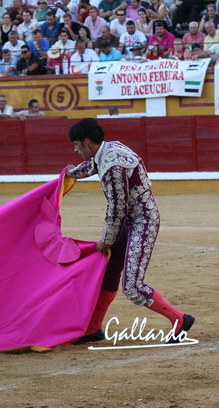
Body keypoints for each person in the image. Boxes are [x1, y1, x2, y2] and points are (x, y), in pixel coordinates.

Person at [66, 118, 195, 345]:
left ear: (86, 142)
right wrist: (72, 173)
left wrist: (106, 239)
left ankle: (180, 319)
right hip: (130, 221)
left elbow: (118, 208)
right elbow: (92, 165)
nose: (75, 149)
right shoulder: (108, 150)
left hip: (141, 221)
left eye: (76, 144)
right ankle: (93, 329)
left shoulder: (113, 165)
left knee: (133, 285)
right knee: (108, 273)